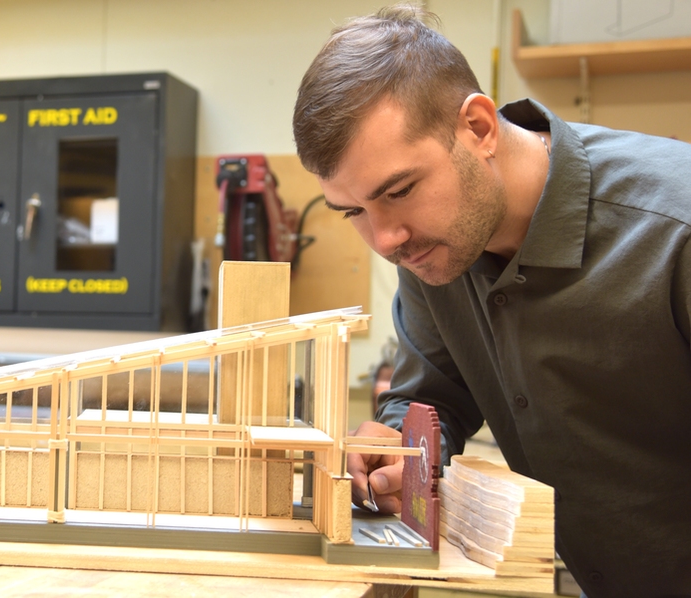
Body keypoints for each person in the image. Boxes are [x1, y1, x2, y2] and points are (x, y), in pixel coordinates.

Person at [292, 5, 691, 598]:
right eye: (353, 212)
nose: (385, 240)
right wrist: (404, 449)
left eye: (399, 190)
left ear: (478, 127)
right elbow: (432, 394)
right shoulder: (432, 250)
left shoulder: (674, 234)